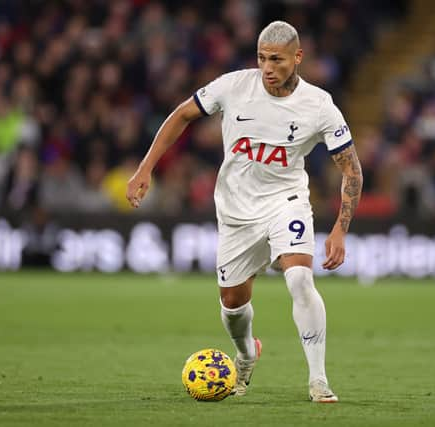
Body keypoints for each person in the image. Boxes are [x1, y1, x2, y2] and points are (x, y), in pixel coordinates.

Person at [126, 21, 362, 403]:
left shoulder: (319, 105)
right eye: (262, 58)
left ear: (298, 58)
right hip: (236, 211)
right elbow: (182, 115)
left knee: (300, 279)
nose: (268, 68)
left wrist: (340, 229)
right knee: (233, 302)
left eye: (277, 60)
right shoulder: (233, 86)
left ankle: (318, 380)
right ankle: (247, 353)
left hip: (286, 202)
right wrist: (145, 167)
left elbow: (351, 169)